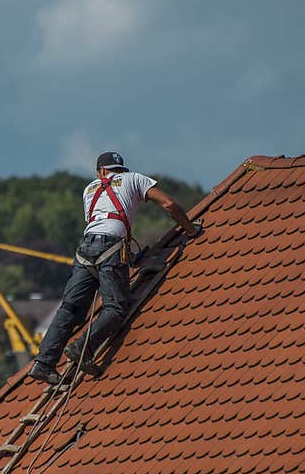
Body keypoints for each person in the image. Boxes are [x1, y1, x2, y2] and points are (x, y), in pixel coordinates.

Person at [28, 151, 200, 385]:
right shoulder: (135, 179)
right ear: (120, 169)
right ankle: (82, 348)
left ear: (100, 172)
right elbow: (169, 204)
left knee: (70, 308)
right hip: (111, 247)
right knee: (116, 307)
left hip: (85, 250)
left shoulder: (89, 190)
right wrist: (190, 229)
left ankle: (43, 363)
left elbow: (101, 223)